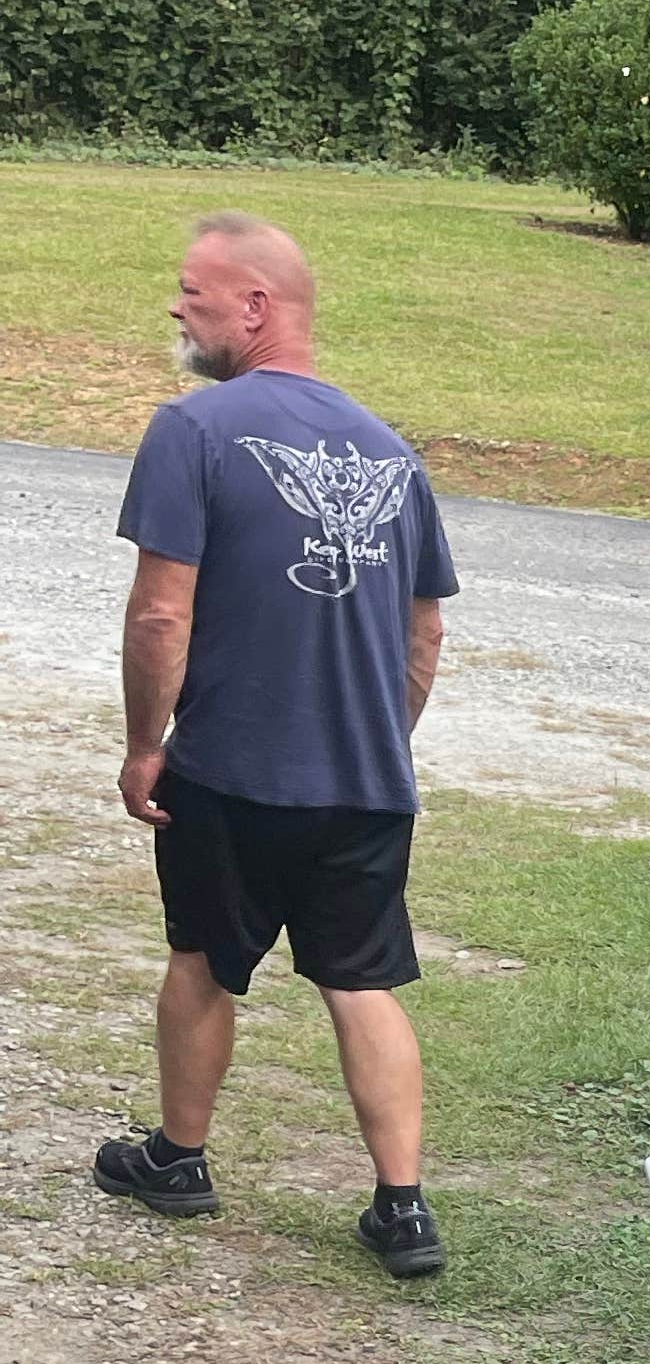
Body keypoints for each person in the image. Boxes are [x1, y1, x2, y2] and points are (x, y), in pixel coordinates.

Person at [97, 212, 460, 1280]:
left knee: (204, 960)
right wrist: (373, 741)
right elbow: (424, 632)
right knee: (361, 979)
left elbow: (162, 615)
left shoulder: (194, 431)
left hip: (232, 772)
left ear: (255, 307)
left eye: (193, 292)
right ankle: (403, 1208)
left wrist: (142, 745)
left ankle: (180, 1159)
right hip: (362, 783)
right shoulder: (394, 454)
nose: (178, 308)